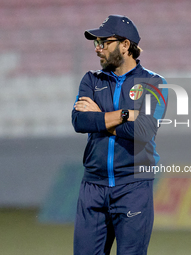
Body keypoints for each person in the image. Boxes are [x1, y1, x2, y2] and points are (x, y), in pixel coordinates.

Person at [72, 14, 168, 255]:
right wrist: (126, 114)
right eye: (96, 43)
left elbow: (144, 131)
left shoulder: (155, 83)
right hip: (92, 187)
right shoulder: (91, 80)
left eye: (104, 42)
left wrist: (101, 118)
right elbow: (80, 121)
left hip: (134, 187)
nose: (98, 48)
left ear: (125, 45)